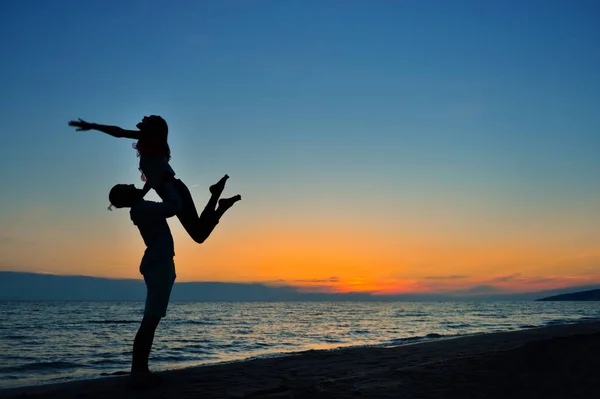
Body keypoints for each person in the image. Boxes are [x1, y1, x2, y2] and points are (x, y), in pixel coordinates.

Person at [108, 181, 239, 387]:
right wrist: (168, 187)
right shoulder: (143, 208)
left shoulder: (140, 207)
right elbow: (174, 207)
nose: (133, 184)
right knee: (150, 322)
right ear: (126, 196)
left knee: (151, 321)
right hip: (159, 266)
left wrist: (151, 182)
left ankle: (139, 371)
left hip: (160, 264)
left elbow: (140, 195)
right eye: (128, 186)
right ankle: (139, 372)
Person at [69, 116, 241, 243]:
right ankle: (217, 196)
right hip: (171, 190)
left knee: (199, 234)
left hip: (174, 190)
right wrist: (93, 126)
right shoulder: (151, 150)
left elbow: (120, 133)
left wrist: (93, 126)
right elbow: (152, 179)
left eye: (146, 123)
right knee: (198, 231)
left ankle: (217, 197)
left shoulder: (155, 146)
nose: (141, 124)